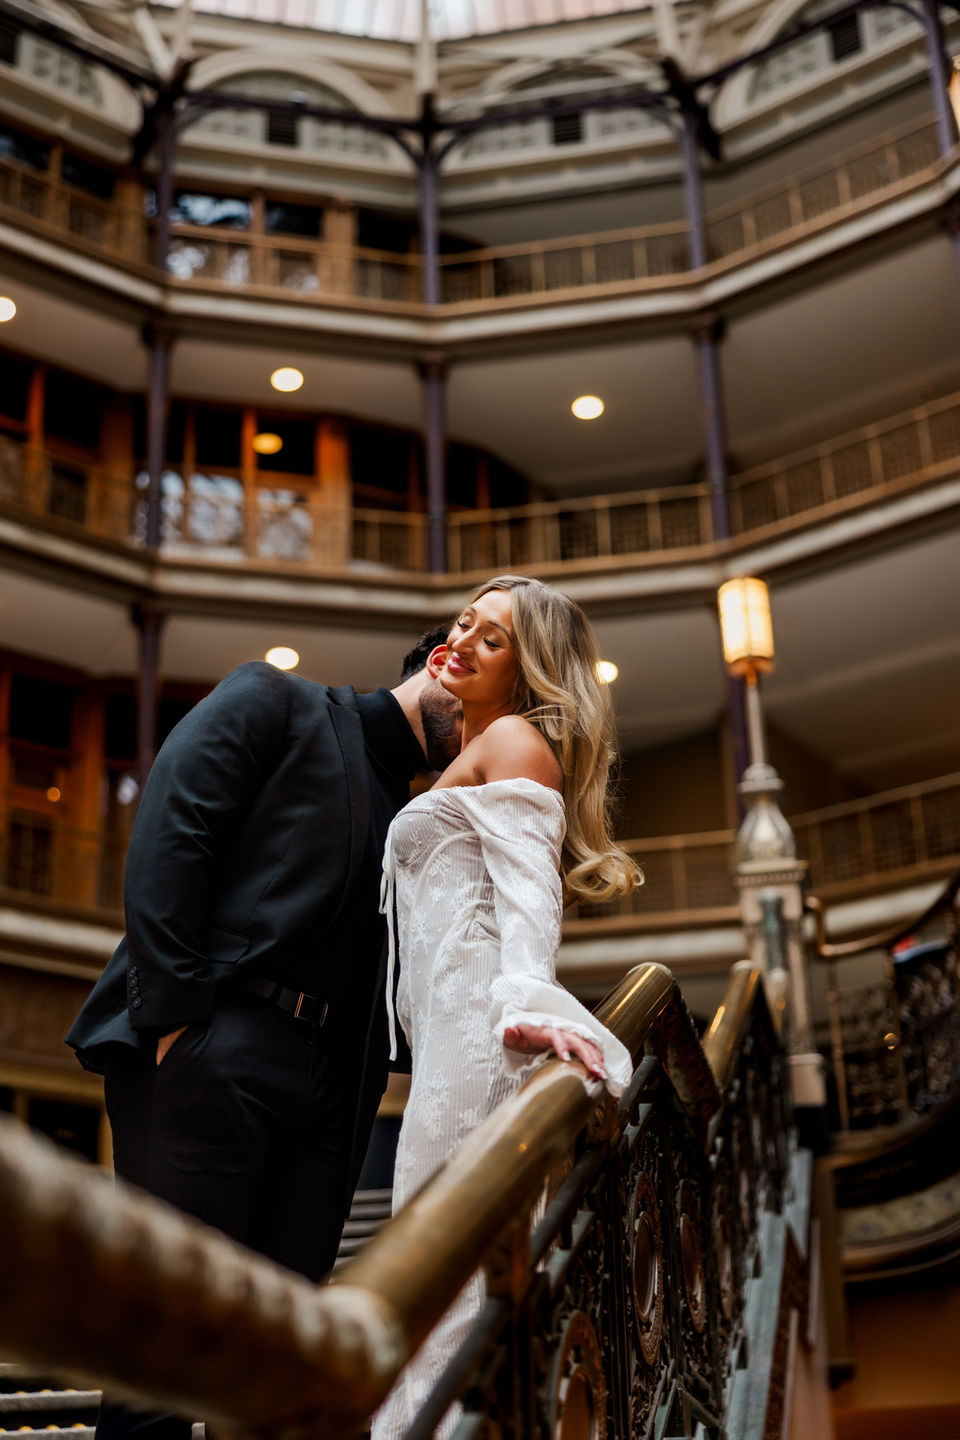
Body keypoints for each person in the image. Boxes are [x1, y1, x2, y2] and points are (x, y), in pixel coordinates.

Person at [66, 628, 461, 1440]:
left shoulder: (426, 817)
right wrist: (176, 1022)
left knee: (285, 1363)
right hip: (215, 1048)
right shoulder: (279, 701)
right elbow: (174, 830)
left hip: (333, 1095)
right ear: (442, 663)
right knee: (169, 1346)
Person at [371, 575, 642, 1440]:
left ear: (527, 670)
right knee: (430, 1253)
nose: (466, 641)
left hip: (479, 1036)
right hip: (443, 1038)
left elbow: (531, 901)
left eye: (495, 639)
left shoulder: (520, 742)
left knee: (444, 1259)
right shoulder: (464, 753)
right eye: (465, 622)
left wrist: (527, 997)